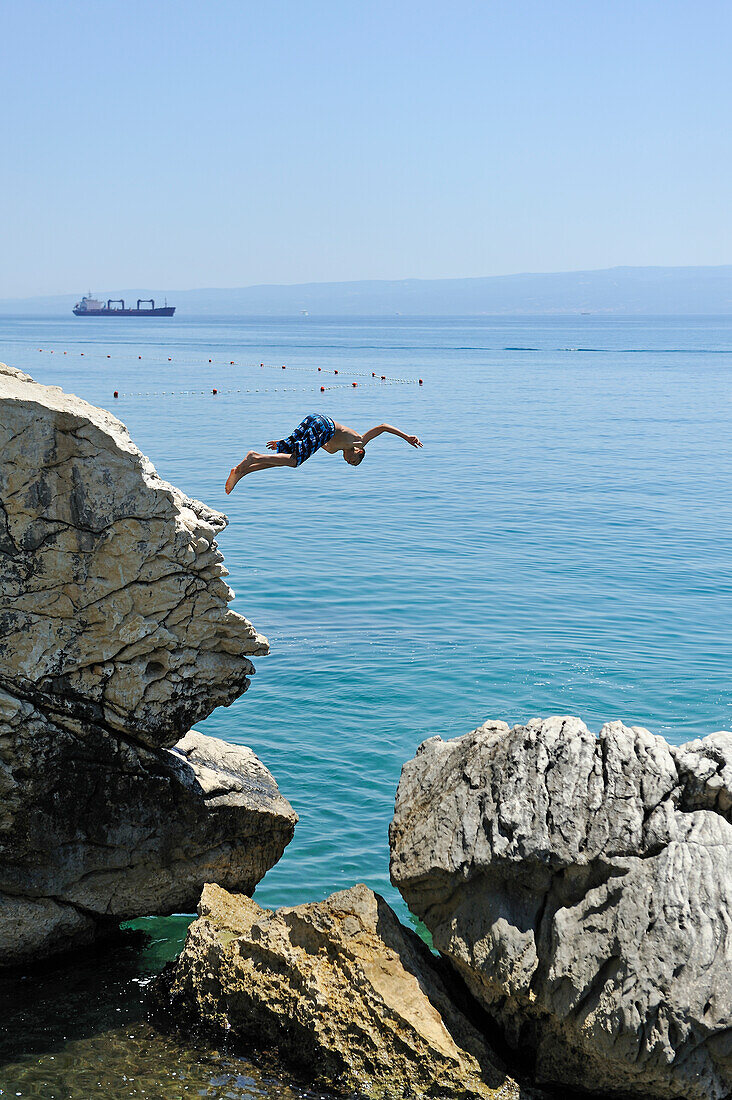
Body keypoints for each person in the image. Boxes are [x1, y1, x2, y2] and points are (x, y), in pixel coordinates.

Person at [225, 412, 422, 493]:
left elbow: (307, 443)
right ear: (359, 452)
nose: (348, 461)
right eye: (353, 461)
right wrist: (407, 437)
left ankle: (243, 471)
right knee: (294, 461)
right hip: (324, 425)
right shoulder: (359, 440)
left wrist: (285, 442)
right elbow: (383, 426)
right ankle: (253, 457)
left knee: (288, 459)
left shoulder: (332, 449)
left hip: (315, 420)